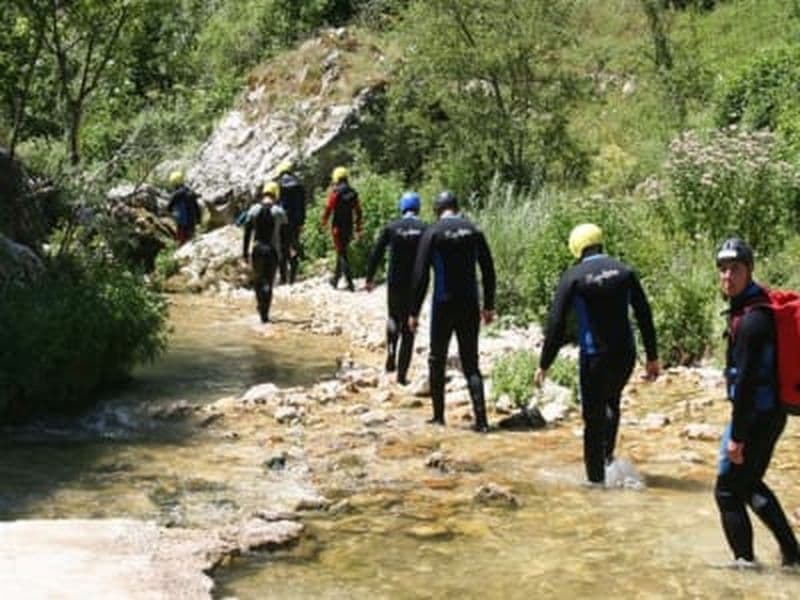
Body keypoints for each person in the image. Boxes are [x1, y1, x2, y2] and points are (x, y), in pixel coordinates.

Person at [534, 223, 660, 486]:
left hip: (595, 358)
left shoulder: (574, 276)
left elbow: (556, 324)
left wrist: (544, 364)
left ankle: (596, 483)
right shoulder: (625, 271)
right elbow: (644, 313)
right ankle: (608, 461)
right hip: (625, 355)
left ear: (576, 248)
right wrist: (652, 357)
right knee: (611, 402)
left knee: (593, 420)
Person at [713, 237, 799, 568]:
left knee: (727, 492)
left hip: (757, 417)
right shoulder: (756, 306)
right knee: (748, 485)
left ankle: (744, 566)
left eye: (735, 269)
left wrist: (737, 435)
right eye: (722, 270)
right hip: (768, 413)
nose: (727, 276)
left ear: (749, 270)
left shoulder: (751, 320)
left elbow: (747, 382)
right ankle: (792, 554)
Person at [409, 191, 496, 433]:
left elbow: (420, 275)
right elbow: (488, 269)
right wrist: (488, 305)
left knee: (437, 358)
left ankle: (438, 417)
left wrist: (414, 311)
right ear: (457, 207)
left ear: (438, 209)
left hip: (443, 303)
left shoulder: (433, 232)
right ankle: (482, 422)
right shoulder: (473, 230)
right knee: (470, 362)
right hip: (469, 302)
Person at [365, 191, 428, 385]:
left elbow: (376, 252)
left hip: (395, 281)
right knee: (409, 327)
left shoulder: (392, 227)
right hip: (415, 283)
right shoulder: (425, 228)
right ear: (417, 207)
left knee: (393, 316)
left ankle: (391, 351)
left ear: (402, 207)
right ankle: (401, 376)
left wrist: (369, 278)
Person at [242, 182, 287, 323]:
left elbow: (247, 232)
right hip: (272, 251)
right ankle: (265, 314)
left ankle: (260, 306)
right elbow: (286, 234)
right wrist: (286, 252)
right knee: (269, 281)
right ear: (276, 194)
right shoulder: (279, 212)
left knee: (258, 280)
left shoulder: (253, 210)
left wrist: (244, 252)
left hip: (257, 250)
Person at [321, 166, 362, 291]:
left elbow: (329, 208)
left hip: (337, 227)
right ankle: (335, 280)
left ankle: (350, 283)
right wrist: (358, 227)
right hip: (348, 226)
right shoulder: (353, 192)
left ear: (336, 178)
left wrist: (324, 221)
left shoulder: (335, 193)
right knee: (341, 251)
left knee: (342, 253)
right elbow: (358, 211)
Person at [275, 161, 306, 285]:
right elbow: (302, 205)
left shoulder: (279, 185)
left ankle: (283, 278)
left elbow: (277, 204)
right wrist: (302, 222)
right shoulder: (299, 184)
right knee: (293, 247)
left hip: (283, 222)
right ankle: (292, 278)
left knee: (283, 248)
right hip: (296, 222)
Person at [166, 170, 202, 245]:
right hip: (192, 222)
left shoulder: (176, 195)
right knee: (191, 241)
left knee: (182, 243)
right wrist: (199, 220)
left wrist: (172, 214)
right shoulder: (190, 192)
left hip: (182, 224)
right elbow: (197, 207)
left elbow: (168, 207)